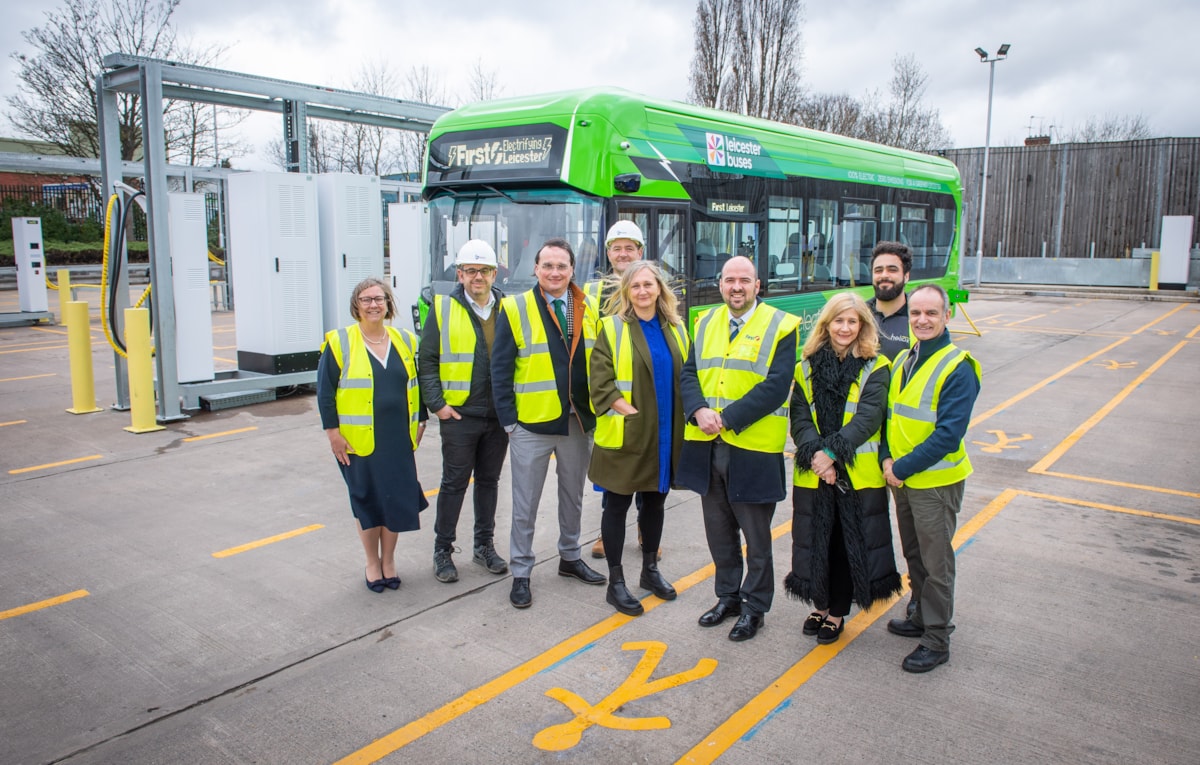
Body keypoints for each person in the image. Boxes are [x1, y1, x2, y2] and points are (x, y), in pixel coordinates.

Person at [679, 255, 800, 642]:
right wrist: (698, 409)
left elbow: (777, 385)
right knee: (718, 532)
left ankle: (754, 607)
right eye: (729, 280)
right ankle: (727, 597)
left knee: (756, 538)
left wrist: (725, 418)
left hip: (752, 449)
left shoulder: (781, 325)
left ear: (757, 285)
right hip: (707, 446)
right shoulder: (704, 321)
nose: (736, 287)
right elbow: (688, 373)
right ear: (720, 284)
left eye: (744, 280)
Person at [492, 237, 606, 609]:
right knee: (525, 503)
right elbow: (500, 368)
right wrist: (510, 422)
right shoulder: (516, 307)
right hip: (531, 423)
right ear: (536, 270)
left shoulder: (585, 306)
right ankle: (521, 572)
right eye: (547, 266)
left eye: (562, 266)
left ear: (572, 270)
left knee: (573, 496)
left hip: (576, 419)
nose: (555, 272)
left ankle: (570, 558)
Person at [785, 292, 901, 645]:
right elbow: (800, 416)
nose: (845, 328)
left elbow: (868, 418)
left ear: (863, 326)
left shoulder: (876, 366)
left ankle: (836, 611)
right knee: (813, 540)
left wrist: (830, 454)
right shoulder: (805, 365)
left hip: (856, 473)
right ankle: (818, 604)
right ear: (826, 324)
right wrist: (817, 457)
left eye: (853, 321)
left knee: (844, 543)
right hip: (816, 471)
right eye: (839, 321)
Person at [882, 284, 981, 673]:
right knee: (915, 555)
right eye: (916, 313)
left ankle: (937, 639)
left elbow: (948, 434)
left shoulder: (958, 366)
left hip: (934, 482)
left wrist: (899, 468)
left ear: (947, 316)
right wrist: (890, 458)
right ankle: (921, 614)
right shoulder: (906, 358)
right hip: (904, 479)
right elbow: (894, 416)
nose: (922, 320)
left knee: (936, 561)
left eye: (931, 314)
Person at [588, 262, 688, 616]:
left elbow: (687, 376)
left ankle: (649, 571)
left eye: (649, 285)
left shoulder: (676, 328)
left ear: (660, 289)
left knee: (655, 503)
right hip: (628, 435)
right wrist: (631, 414)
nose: (643, 291)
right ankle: (616, 583)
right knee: (617, 506)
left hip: (664, 435)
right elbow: (600, 383)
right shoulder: (612, 328)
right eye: (636, 286)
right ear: (626, 292)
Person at [317, 278, 427, 593]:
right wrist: (332, 433)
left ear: (388, 303)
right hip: (357, 439)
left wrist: (421, 422)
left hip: (398, 437)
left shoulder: (405, 340)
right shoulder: (340, 342)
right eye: (366, 300)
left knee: (393, 500)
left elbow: (416, 383)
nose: (373, 305)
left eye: (379, 298)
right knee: (367, 500)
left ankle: (389, 560)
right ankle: (371, 562)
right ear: (357, 306)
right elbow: (326, 393)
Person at [418, 239, 509, 584]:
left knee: (489, 481)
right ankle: (443, 550)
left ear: (494, 272)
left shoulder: (509, 308)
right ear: (460, 273)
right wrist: (437, 405)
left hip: (498, 416)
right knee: (454, 483)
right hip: (459, 416)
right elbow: (426, 360)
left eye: (484, 270)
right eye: (470, 271)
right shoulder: (443, 308)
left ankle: (483, 545)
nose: (477, 277)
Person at [584, 220, 659, 562]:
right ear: (608, 253)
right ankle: (606, 532)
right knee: (613, 471)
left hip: (645, 391)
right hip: (611, 393)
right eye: (617, 247)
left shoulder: (652, 285)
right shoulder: (592, 293)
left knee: (648, 471)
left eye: (630, 247)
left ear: (640, 252)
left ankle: (647, 532)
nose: (623, 253)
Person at [867, 241, 913, 361]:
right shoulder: (859, 314)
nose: (884, 275)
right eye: (878, 270)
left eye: (892, 270)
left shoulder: (917, 317)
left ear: (906, 276)